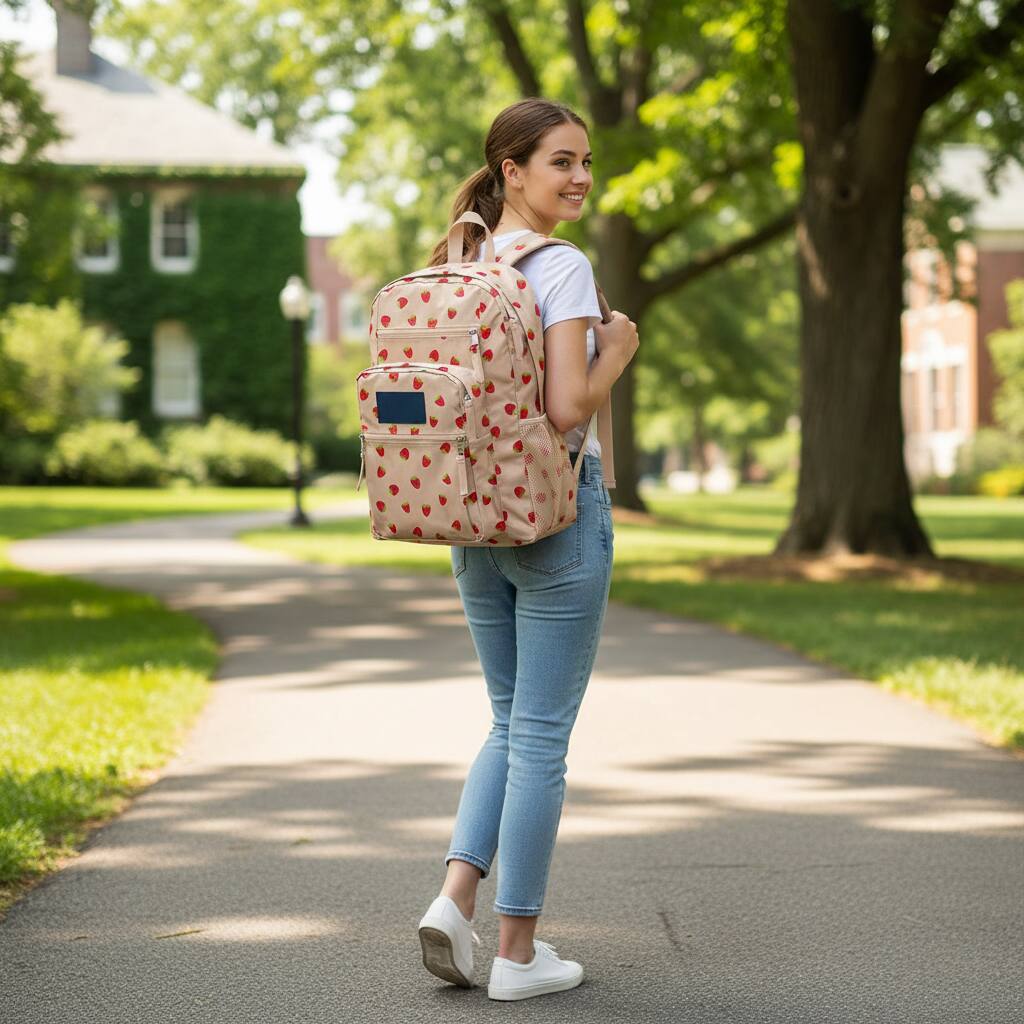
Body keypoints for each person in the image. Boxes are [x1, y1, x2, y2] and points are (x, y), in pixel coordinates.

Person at [416, 97, 639, 1002]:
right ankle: (516, 956)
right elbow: (567, 408)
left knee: (508, 724)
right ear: (512, 170)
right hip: (552, 514)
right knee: (541, 737)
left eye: (586, 161)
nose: (580, 178)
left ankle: (452, 899)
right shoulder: (563, 266)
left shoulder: (459, 258)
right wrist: (617, 347)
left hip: (468, 520)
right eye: (561, 162)